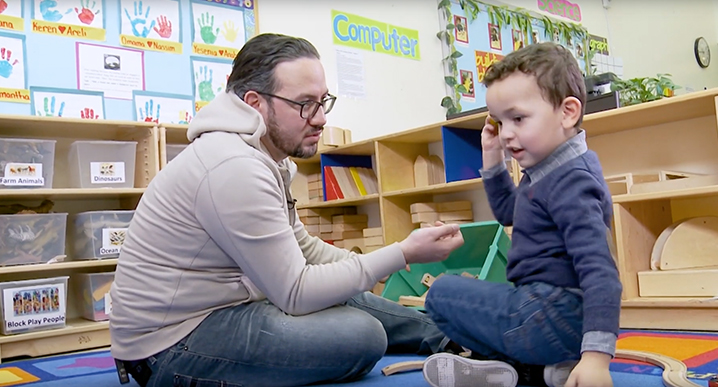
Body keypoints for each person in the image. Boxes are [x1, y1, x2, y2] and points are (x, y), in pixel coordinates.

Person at [109, 32, 466, 387]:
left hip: (222, 311)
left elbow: (304, 251)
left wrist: (383, 259)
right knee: (362, 335)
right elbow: (296, 293)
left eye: (323, 101)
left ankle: (456, 337)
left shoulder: (262, 156)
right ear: (254, 103)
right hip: (169, 344)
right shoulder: (233, 165)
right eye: (305, 104)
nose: (321, 118)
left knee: (345, 289)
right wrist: (401, 253)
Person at [421, 42, 622, 387]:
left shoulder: (571, 181)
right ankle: (539, 371)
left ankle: (514, 366)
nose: (507, 133)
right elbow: (508, 213)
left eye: (518, 118)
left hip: (551, 314)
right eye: (500, 122)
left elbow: (601, 272)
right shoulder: (549, 168)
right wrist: (492, 157)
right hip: (552, 315)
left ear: (567, 112)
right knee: (480, 298)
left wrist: (597, 359)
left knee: (441, 294)